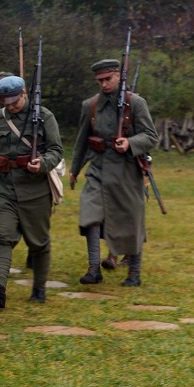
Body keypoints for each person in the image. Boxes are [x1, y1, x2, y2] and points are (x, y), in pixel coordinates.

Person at [69, 59, 159, 287]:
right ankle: (93, 269)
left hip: (127, 170)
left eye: (107, 79)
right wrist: (74, 169)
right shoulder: (90, 105)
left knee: (131, 220)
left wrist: (129, 143)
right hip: (98, 167)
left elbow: (151, 137)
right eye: (99, 80)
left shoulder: (135, 103)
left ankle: (134, 274)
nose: (104, 84)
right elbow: (81, 141)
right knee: (90, 215)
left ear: (118, 76)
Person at [0, 75, 63, 307]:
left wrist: (43, 164)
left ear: (24, 93)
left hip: (35, 189)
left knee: (39, 242)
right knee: (1, 236)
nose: (10, 106)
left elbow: (56, 150)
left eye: (14, 101)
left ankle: (39, 289)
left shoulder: (44, 117)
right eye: (6, 102)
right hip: (3, 187)